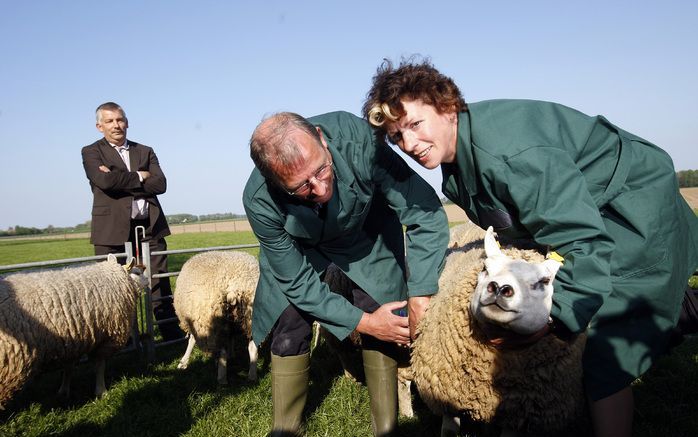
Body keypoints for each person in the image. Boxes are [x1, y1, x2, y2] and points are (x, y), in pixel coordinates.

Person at [362, 59, 698, 437]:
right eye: (396, 138)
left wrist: (553, 322)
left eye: (414, 125)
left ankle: (676, 317)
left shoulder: (509, 157)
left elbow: (584, 242)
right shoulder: (458, 161)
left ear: (447, 107)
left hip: (629, 210)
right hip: (592, 211)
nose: (408, 145)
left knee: (603, 354)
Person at [243, 111, 448, 436]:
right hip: (302, 248)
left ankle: (386, 427)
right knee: (288, 324)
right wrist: (364, 323)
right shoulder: (259, 202)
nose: (321, 187)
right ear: (274, 182)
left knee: (383, 309)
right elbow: (296, 281)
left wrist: (421, 291)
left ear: (323, 140)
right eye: (301, 186)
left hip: (365, 234)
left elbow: (422, 208)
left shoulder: (362, 143)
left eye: (322, 169)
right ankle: (285, 428)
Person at [81, 102, 183, 342]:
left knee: (159, 280)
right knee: (112, 285)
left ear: (127, 122)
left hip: (149, 226)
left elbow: (161, 184)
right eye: (110, 121)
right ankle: (122, 339)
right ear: (99, 126)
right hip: (112, 229)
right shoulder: (91, 152)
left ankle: (169, 330)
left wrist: (118, 177)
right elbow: (103, 182)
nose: (116, 125)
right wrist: (140, 176)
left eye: (120, 120)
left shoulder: (145, 150)